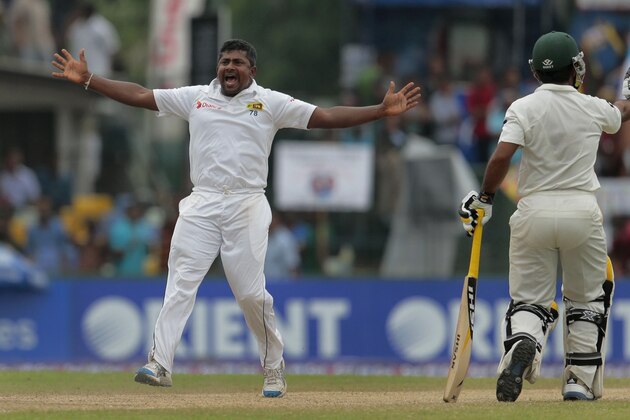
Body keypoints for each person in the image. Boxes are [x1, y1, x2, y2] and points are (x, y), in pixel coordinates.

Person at [51, 39, 421, 397]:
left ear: (251, 70)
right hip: (202, 201)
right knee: (180, 281)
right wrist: (89, 79)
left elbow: (324, 116)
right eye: (225, 61)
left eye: (237, 63)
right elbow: (141, 95)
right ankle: (160, 363)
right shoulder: (196, 96)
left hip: (246, 203)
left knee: (248, 294)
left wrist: (379, 111)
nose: (229, 67)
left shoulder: (270, 102)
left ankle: (273, 365)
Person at [459, 31, 630, 402]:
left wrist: (485, 198)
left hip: (533, 211)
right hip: (582, 212)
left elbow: (501, 157)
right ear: (577, 68)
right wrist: (627, 94)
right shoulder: (590, 106)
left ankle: (525, 342)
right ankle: (578, 382)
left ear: (536, 72)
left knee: (530, 301)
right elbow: (619, 117)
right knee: (585, 300)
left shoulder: (522, 107)